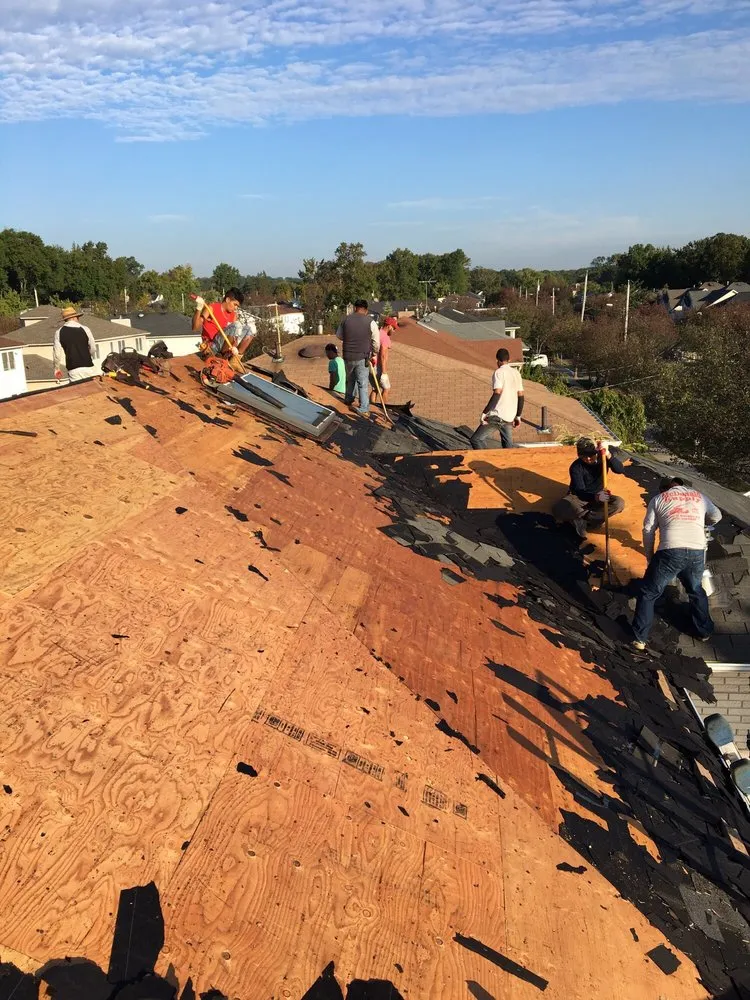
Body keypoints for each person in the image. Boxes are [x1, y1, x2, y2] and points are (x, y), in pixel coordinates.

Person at [631, 477, 721, 650]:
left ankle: (640, 638)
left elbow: (648, 530)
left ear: (662, 490)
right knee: (695, 590)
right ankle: (704, 631)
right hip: (696, 550)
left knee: (649, 593)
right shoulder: (699, 496)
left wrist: (650, 557)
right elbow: (717, 516)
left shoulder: (658, 499)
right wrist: (702, 522)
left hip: (670, 551)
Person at [553, 438, 626, 539]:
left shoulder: (603, 458)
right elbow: (579, 491)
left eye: (591, 455)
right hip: (579, 497)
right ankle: (593, 519)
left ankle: (584, 519)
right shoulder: (576, 467)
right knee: (560, 508)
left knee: (619, 503)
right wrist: (596, 497)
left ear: (596, 452)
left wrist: (608, 454)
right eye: (583, 456)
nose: (587, 458)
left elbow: (619, 470)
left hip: (600, 495)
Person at [470, 348, 524, 449]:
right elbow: (521, 396)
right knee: (508, 447)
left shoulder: (499, 372)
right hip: (509, 417)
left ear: (497, 360)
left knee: (476, 439)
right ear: (509, 360)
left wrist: (485, 413)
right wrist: (518, 416)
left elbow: (497, 393)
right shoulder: (516, 373)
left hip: (497, 416)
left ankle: (485, 457)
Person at [336, 300, 380, 415]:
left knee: (350, 378)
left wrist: (350, 338)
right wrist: (374, 353)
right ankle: (364, 407)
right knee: (362, 382)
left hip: (347, 355)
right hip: (362, 355)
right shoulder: (370, 322)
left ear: (355, 308)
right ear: (366, 310)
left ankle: (348, 398)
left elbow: (339, 335)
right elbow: (376, 342)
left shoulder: (345, 320)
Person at [192, 288, 252, 359]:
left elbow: (235, 335)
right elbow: (195, 328)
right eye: (235, 304)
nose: (236, 308)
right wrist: (199, 308)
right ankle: (222, 357)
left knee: (249, 329)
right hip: (212, 346)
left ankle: (235, 359)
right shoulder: (212, 308)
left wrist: (234, 347)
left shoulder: (233, 315)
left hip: (226, 347)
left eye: (237, 306)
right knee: (236, 325)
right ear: (227, 300)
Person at [53, 306, 99, 382]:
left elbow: (57, 355)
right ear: (74, 318)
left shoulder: (59, 333)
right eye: (78, 317)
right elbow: (93, 348)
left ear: (65, 320)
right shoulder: (85, 329)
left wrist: (57, 369)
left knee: (78, 389)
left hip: (73, 370)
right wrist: (86, 355)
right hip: (89, 367)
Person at [371, 315, 396, 404]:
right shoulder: (385, 337)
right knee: (386, 388)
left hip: (371, 365)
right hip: (378, 367)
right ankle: (384, 408)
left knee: (375, 388)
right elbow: (383, 355)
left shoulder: (377, 333)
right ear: (389, 326)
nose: (394, 331)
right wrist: (384, 372)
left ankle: (372, 405)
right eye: (393, 328)